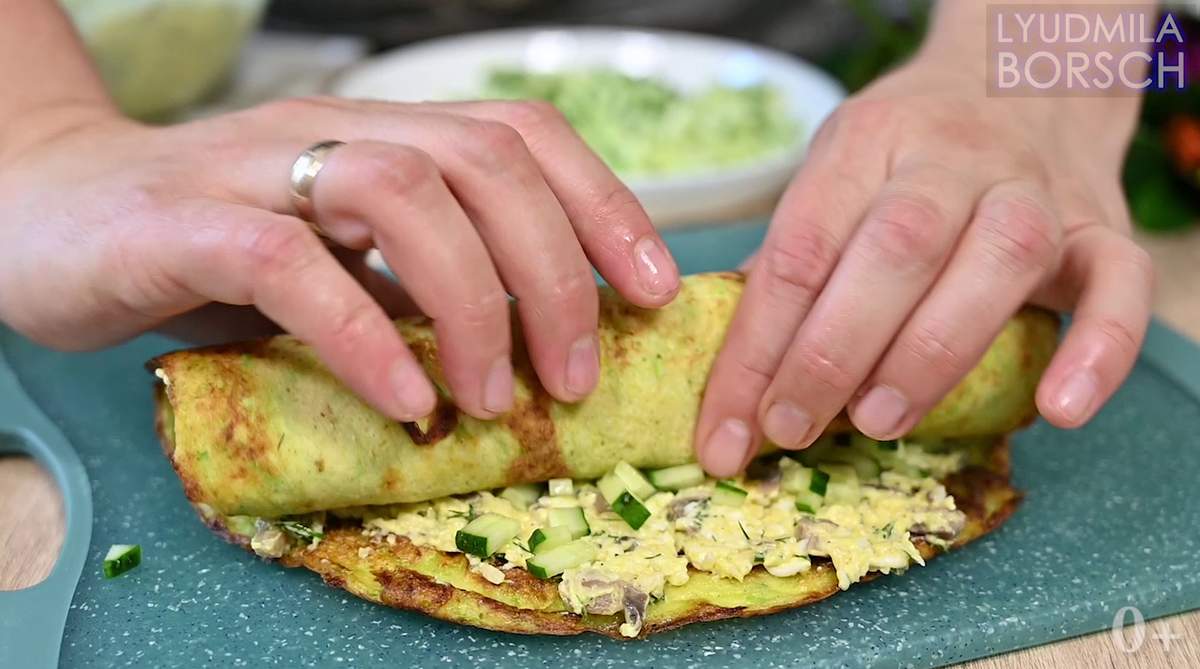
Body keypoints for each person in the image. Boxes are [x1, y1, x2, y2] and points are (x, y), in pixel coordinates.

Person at [0, 0, 1155, 478]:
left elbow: (1141, 39)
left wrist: (1045, 67)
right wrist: (33, 128)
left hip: (858, 83)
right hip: (276, 120)